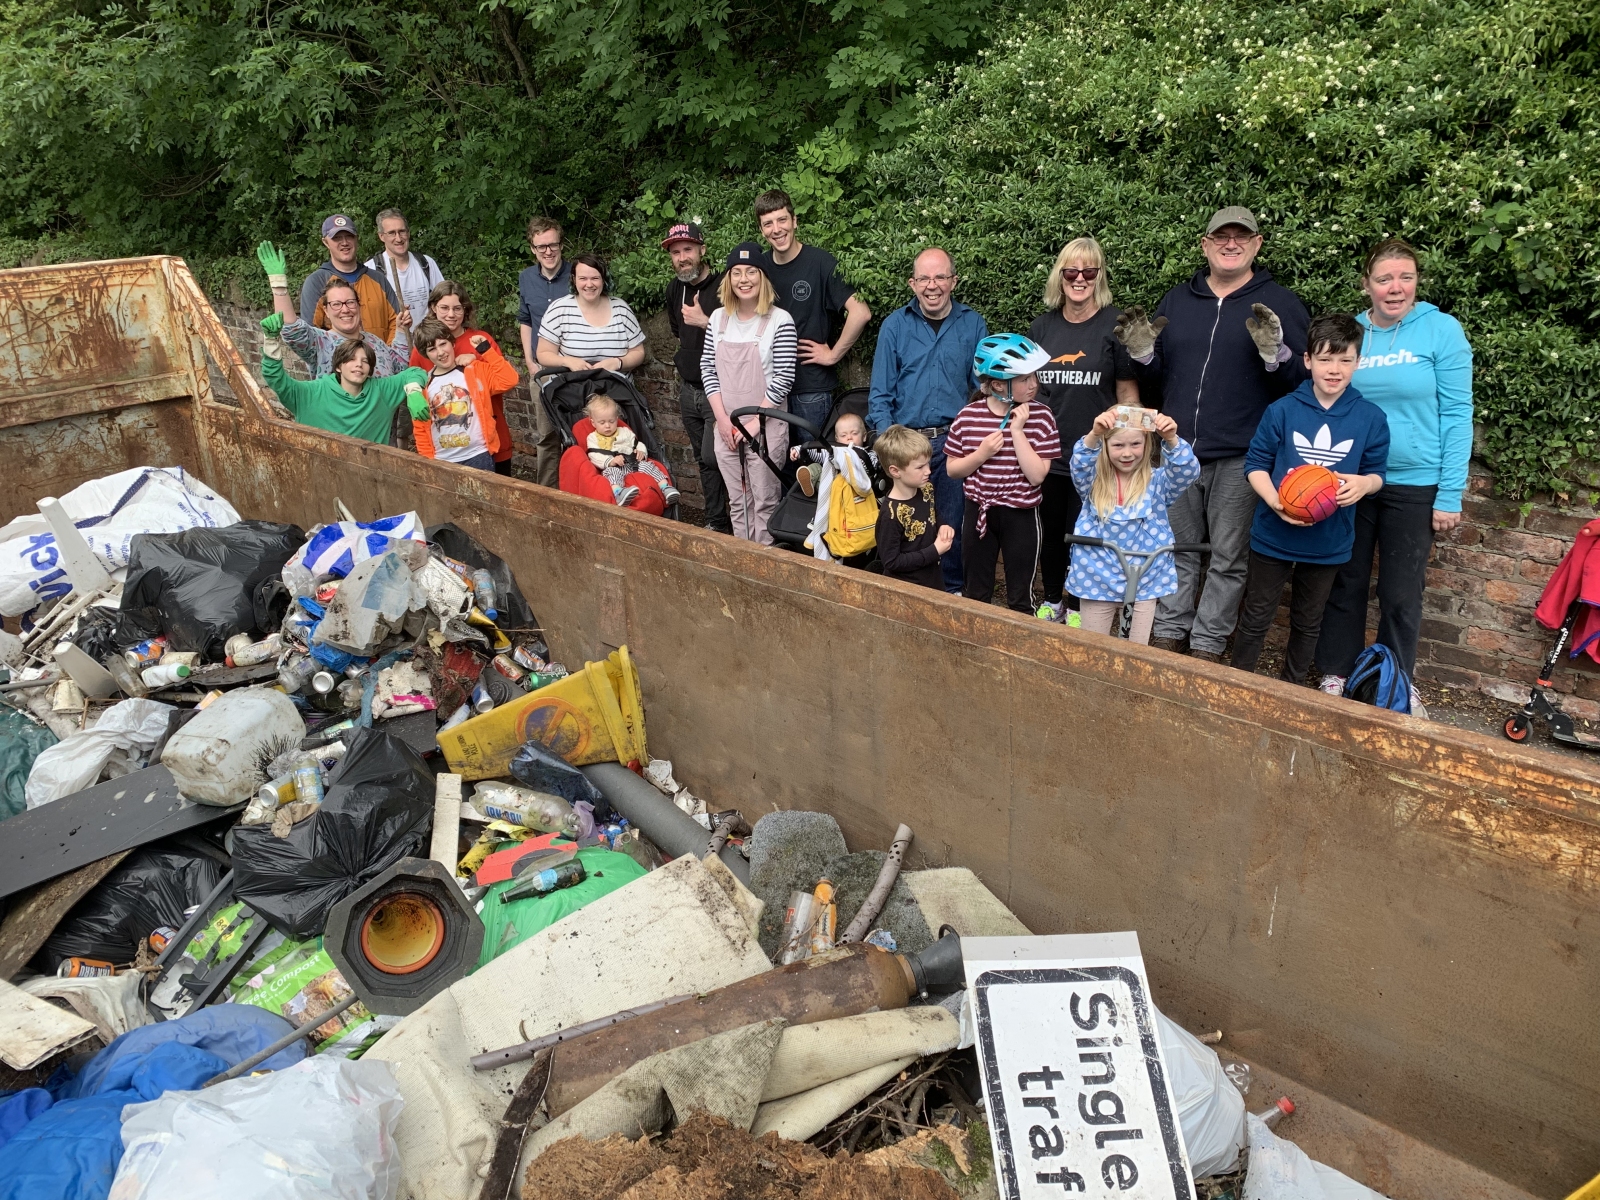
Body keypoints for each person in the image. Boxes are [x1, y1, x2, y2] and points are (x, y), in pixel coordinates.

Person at [1115, 205, 1310, 662]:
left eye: (1242, 236)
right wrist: (1143, 357)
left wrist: (1278, 356)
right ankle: (1169, 630)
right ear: (1205, 245)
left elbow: (1302, 384)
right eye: (1221, 236)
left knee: (1227, 557)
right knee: (1175, 547)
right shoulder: (1177, 302)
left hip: (1243, 454)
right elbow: (1158, 379)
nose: (1231, 244)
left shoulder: (1280, 304)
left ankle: (1207, 643)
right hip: (1177, 450)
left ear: (1257, 244)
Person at [1315, 239, 1473, 709]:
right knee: (1345, 580)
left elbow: (1458, 414)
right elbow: (1330, 396)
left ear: (1417, 281)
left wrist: (1450, 492)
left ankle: (1395, 679)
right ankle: (1336, 672)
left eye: (1405, 277)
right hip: (1353, 479)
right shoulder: (1353, 332)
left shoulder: (1441, 330)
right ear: (1367, 285)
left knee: (1401, 593)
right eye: (1384, 279)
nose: (1395, 287)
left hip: (1415, 481)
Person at [1232, 311, 1389, 683]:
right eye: (1325, 359)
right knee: (1256, 615)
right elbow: (1255, 464)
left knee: (1308, 621)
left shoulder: (1370, 418)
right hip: (1273, 533)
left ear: (1358, 362)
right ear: (1307, 360)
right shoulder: (1282, 410)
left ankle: (1293, 690)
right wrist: (1275, 501)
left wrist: (1364, 485)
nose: (1334, 369)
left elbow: (1377, 474)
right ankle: (1237, 684)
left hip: (1328, 540)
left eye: (1345, 360)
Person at [1028, 237, 1140, 624]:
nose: (1080, 278)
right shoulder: (1042, 327)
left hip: (1096, 458)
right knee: (1051, 534)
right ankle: (1052, 598)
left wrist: (1130, 447)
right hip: (1048, 454)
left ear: (1099, 276)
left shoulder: (1115, 325)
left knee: (1088, 536)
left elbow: (1127, 394)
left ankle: (1079, 605)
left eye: (1089, 271)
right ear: (1059, 276)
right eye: (1072, 271)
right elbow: (1029, 391)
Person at [868, 246, 989, 593]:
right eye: (923, 278)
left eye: (940, 277)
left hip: (954, 442)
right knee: (909, 526)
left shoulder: (973, 324)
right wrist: (890, 446)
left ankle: (951, 592)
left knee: (952, 523)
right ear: (912, 283)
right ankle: (912, 593)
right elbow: (880, 393)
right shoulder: (894, 326)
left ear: (954, 281)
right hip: (908, 445)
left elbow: (983, 388)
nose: (931, 285)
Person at [944, 334, 1062, 612]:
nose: (1033, 384)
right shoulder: (968, 416)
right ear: (998, 384)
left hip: (1021, 514)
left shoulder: (1042, 416)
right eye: (1024, 379)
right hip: (979, 511)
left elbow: (1037, 477)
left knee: (1021, 598)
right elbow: (952, 470)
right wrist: (981, 454)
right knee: (976, 593)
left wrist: (1017, 432)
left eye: (1034, 376)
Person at [1066, 407, 1199, 644]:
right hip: (1097, 577)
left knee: (1136, 650)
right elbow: (1080, 463)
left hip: (1143, 579)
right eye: (1118, 445)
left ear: (1146, 444)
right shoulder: (1093, 480)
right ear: (1105, 446)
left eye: (1135, 444)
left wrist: (1171, 439)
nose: (1127, 453)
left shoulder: (1158, 482)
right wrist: (1094, 435)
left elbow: (1187, 471)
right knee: (1092, 646)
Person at [700, 242, 798, 544]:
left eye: (752, 272)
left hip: (765, 427)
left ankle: (765, 561)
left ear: (763, 277)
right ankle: (741, 559)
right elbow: (708, 369)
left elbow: (784, 377)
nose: (744, 279)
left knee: (765, 502)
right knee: (738, 501)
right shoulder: (718, 318)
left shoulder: (780, 320)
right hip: (727, 428)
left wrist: (756, 421)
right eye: (737, 272)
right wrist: (722, 420)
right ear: (728, 279)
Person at [754, 189, 871, 432]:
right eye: (768, 224)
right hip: (768, 387)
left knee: (813, 455)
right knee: (774, 456)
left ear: (794, 221)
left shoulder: (820, 262)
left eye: (782, 220)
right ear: (761, 230)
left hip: (810, 389)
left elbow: (860, 312)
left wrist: (833, 355)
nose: (776, 229)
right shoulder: (759, 267)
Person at [258, 313, 426, 444]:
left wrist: (413, 391)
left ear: (370, 369)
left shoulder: (382, 391)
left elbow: (414, 372)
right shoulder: (310, 394)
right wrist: (271, 341)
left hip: (370, 474)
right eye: (351, 359)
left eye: (365, 361)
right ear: (338, 366)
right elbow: (276, 379)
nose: (359, 364)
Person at [662, 222, 730, 532]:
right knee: (703, 461)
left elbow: (742, 337)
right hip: (689, 389)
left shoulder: (725, 286)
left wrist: (706, 322)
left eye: (688, 250)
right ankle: (716, 521)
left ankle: (740, 523)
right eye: (676, 253)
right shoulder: (674, 289)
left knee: (719, 458)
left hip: (721, 389)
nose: (682, 258)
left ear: (702, 250)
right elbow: (679, 333)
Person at [256, 242, 409, 378]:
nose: (345, 309)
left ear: (358, 306)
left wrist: (401, 331)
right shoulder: (320, 343)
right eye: (336, 304)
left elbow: (399, 367)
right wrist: (279, 286)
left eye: (350, 302)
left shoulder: (375, 342)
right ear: (326, 311)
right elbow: (292, 330)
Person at [409, 281, 516, 475]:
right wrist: (412, 391)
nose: (451, 314)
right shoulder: (422, 347)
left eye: (457, 308)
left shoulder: (479, 339)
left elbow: (504, 378)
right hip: (444, 447)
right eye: (444, 308)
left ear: (465, 309)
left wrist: (478, 356)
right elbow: (413, 380)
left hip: (484, 439)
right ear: (433, 307)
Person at [518, 217, 574, 487]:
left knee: (579, 434)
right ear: (533, 248)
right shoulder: (526, 278)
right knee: (547, 436)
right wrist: (530, 362)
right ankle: (546, 494)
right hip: (542, 372)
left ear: (561, 245)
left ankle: (581, 492)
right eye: (541, 247)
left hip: (575, 370)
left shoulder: (578, 274)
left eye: (553, 245)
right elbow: (525, 320)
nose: (548, 251)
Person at [537, 255, 647, 379]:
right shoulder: (559, 310)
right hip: (571, 386)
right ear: (574, 279)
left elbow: (638, 352)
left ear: (603, 279)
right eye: (583, 278)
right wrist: (567, 361)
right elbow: (543, 353)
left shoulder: (621, 309)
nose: (589, 284)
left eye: (595, 278)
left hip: (615, 386)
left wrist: (617, 363)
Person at [874, 425, 956, 591]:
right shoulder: (890, 515)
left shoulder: (926, 489)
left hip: (933, 580)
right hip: (907, 590)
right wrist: (934, 551)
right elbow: (891, 561)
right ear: (895, 471)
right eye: (920, 467)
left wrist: (942, 525)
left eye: (928, 464)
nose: (928, 471)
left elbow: (932, 512)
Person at [298, 214, 400, 343]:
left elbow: (397, 323)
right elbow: (310, 334)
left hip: (380, 355)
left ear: (356, 238)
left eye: (349, 236)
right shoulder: (316, 282)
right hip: (338, 356)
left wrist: (386, 352)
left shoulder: (378, 279)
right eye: (337, 238)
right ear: (325, 242)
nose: (345, 242)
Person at [795, 412, 877, 564]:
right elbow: (816, 451)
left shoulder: (867, 454)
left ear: (864, 436)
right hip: (829, 485)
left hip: (851, 493)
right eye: (844, 435)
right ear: (837, 439)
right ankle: (810, 478)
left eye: (854, 434)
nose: (849, 438)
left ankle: (814, 491)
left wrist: (850, 458)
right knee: (817, 466)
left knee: (832, 478)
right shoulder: (833, 451)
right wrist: (799, 449)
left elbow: (870, 467)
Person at [366, 209, 444, 356]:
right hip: (392, 350)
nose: (398, 238)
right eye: (392, 233)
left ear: (408, 233)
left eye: (402, 231)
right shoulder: (371, 270)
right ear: (381, 236)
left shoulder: (426, 263)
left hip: (429, 348)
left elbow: (444, 301)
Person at [582, 394, 678, 508]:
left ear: (617, 419)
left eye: (611, 421)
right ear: (593, 422)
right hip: (615, 466)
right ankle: (619, 493)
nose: (607, 426)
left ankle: (665, 488)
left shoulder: (624, 432)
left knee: (649, 466)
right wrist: (611, 461)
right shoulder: (592, 438)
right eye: (602, 423)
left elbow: (637, 443)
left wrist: (641, 452)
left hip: (633, 463)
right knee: (612, 473)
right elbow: (594, 455)